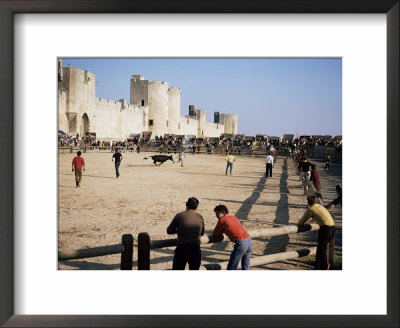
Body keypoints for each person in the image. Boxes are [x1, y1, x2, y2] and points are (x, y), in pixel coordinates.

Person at [298, 195, 335, 270]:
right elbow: (320, 217)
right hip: (332, 227)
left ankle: (324, 268)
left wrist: (304, 222)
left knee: (323, 251)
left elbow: (301, 222)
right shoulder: (319, 206)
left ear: (308, 202)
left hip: (325, 229)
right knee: (320, 248)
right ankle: (317, 266)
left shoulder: (310, 209)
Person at [167, 197, 205, 270]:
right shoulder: (200, 217)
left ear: (186, 204)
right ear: (197, 207)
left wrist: (179, 230)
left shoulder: (179, 216)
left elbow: (169, 231)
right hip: (196, 249)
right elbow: (202, 233)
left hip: (182, 248)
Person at [212, 205, 253, 270]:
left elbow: (215, 233)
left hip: (241, 243)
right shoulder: (233, 217)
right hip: (249, 241)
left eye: (217, 213)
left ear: (223, 212)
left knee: (232, 266)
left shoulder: (222, 220)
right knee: (246, 266)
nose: (216, 215)